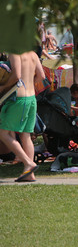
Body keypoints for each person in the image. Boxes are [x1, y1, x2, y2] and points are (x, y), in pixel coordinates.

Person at [0, 50, 44, 182]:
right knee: (26, 135)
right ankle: (29, 173)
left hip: (18, 99)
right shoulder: (33, 54)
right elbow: (41, 76)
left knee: (3, 134)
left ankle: (28, 163)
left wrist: (3, 87)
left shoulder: (15, 53)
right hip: (31, 99)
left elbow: (17, 75)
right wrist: (30, 86)